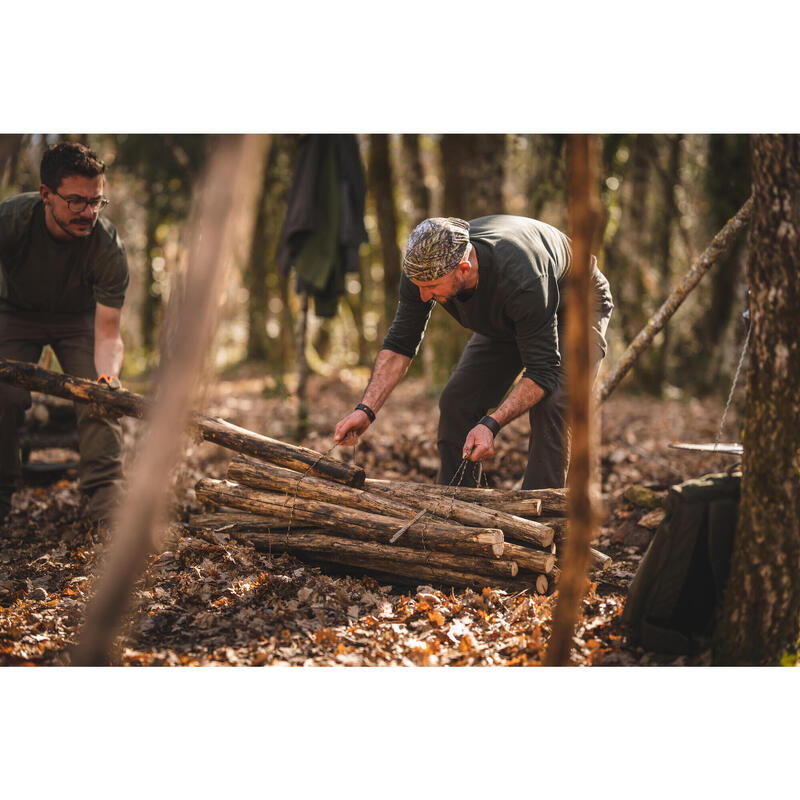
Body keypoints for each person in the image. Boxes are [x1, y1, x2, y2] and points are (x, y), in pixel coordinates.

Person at [333, 215, 613, 489]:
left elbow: (543, 371)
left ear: (464, 269)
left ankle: (542, 518)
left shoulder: (522, 277)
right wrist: (366, 410)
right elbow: (399, 346)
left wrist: (491, 425)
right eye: (419, 286)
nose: (423, 296)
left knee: (553, 404)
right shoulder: (422, 269)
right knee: (457, 402)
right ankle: (459, 510)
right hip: (511, 315)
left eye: (431, 287)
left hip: (577, 302)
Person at [0, 142, 129, 525]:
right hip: (14, 313)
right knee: (4, 397)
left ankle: (107, 502)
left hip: (78, 320)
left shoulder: (107, 248)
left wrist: (109, 378)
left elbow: (108, 335)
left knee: (100, 396)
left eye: (96, 202)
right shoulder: (11, 221)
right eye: (76, 201)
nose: (88, 212)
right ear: (45, 195)